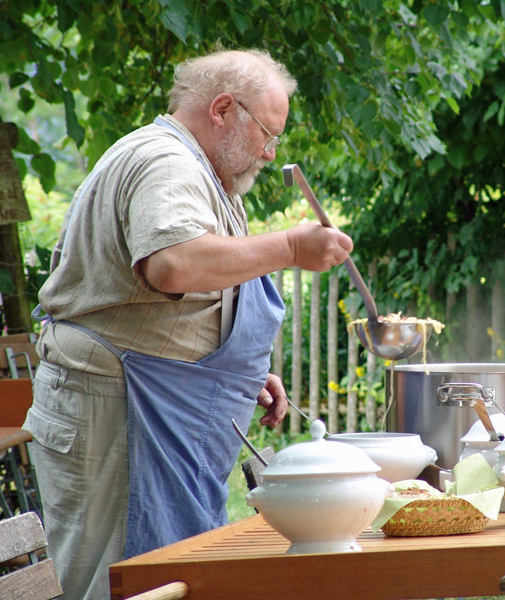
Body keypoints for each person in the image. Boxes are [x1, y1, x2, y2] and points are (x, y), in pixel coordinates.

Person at [22, 48, 353, 600]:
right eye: (267, 134)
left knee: (166, 578)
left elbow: (186, 297)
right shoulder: (166, 162)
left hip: (151, 404)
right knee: (116, 582)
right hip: (118, 409)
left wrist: (237, 373)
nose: (270, 154)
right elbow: (175, 263)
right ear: (223, 108)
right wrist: (292, 246)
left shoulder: (199, 170)